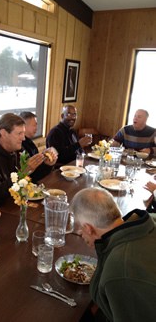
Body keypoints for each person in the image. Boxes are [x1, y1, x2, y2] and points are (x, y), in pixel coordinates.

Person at [71, 187, 156, 322]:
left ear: (88, 228)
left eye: (80, 228)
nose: (81, 234)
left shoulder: (120, 272)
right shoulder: (149, 220)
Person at [19, 111, 57, 182]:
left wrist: (48, 163)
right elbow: (31, 176)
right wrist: (46, 165)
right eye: (34, 125)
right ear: (24, 126)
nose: (36, 128)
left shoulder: (30, 142)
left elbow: (38, 168)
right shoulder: (19, 146)